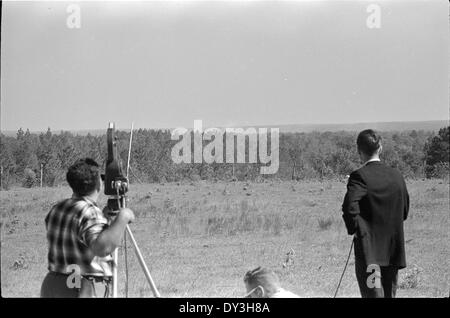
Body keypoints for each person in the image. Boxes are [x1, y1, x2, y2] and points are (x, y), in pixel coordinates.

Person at [40, 158, 135, 297]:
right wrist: (123, 217)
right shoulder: (89, 211)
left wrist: (103, 219)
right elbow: (102, 248)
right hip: (80, 286)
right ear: (98, 184)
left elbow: (75, 234)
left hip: (53, 284)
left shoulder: (58, 208)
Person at [342, 129, 409, 298]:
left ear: (359, 151)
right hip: (393, 250)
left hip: (370, 251)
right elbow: (405, 210)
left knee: (373, 295)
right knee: (389, 295)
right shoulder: (397, 176)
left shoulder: (359, 176)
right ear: (380, 148)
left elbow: (350, 208)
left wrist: (358, 230)